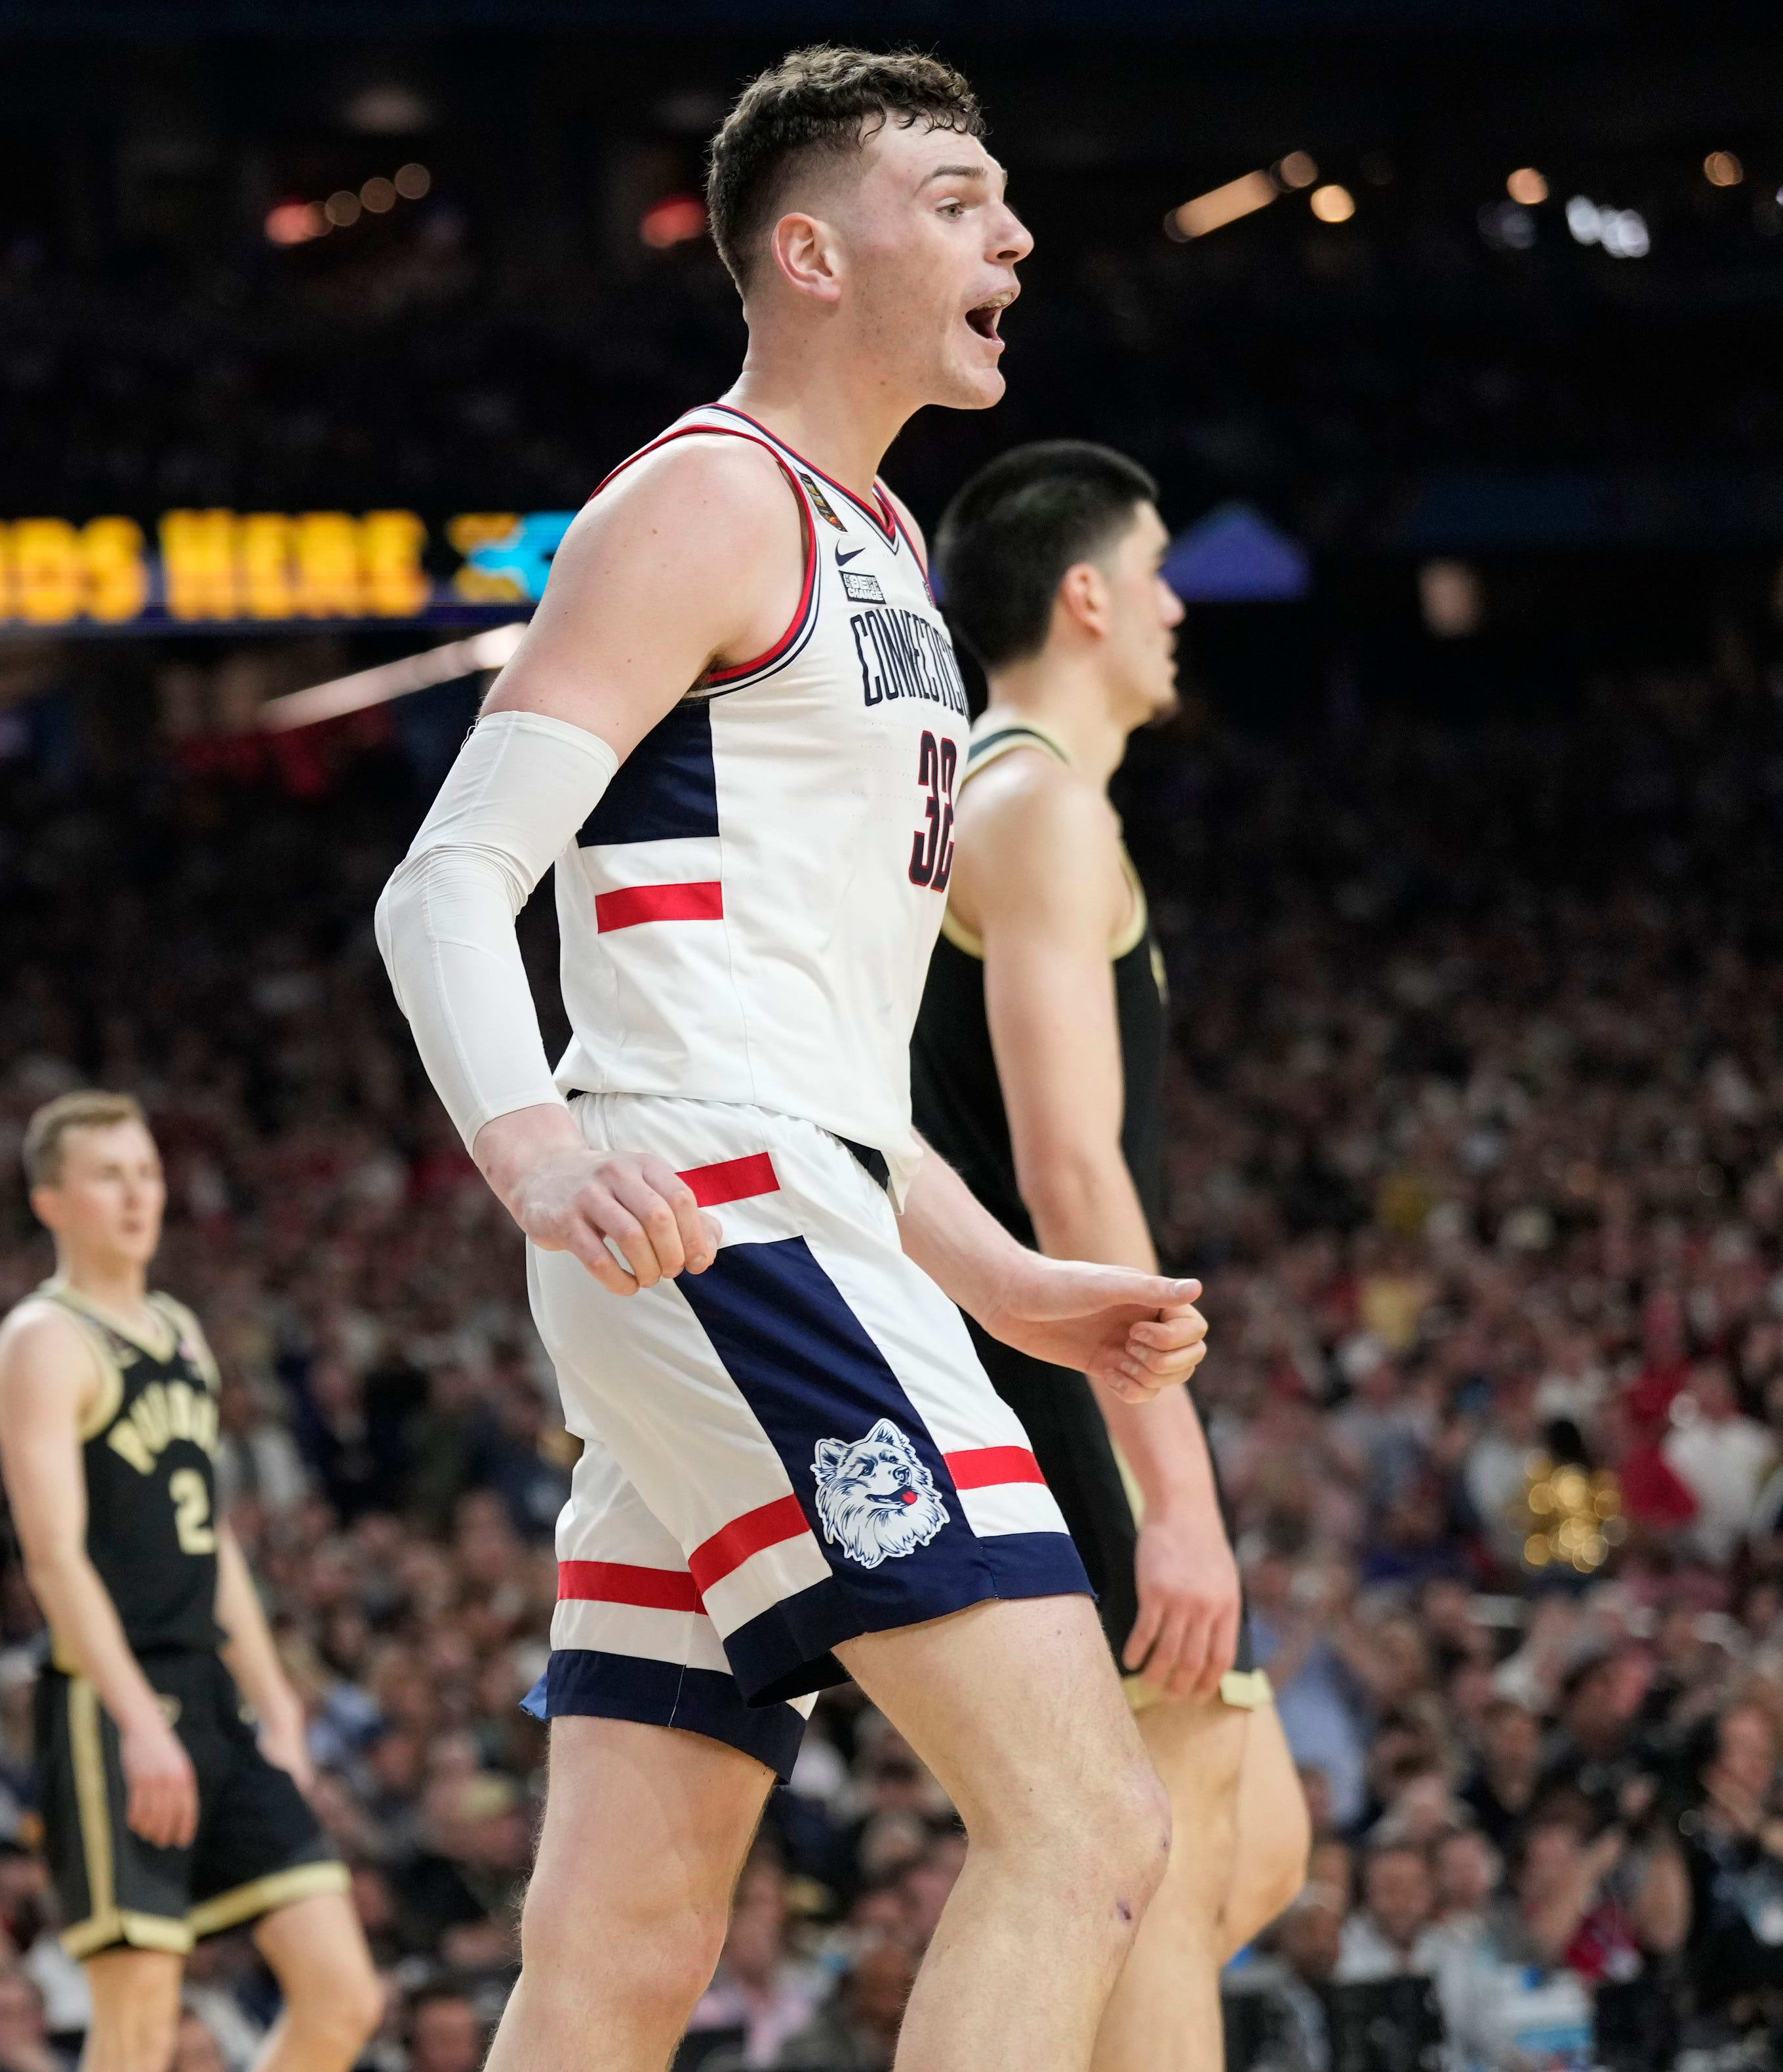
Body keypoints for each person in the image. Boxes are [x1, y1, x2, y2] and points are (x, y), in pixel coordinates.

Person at [372, 45, 1209, 2072]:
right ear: (811, 252)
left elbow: (823, 1043)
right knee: (1088, 1828)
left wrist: (1010, 1284)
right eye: (956, 196)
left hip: (763, 1213)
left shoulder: (891, 554)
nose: (1012, 231)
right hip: (720, 1223)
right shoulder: (706, 498)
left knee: (623, 1958)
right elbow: (445, 884)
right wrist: (540, 1150)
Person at [909, 436, 1315, 2071]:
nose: (1175, 609)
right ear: (1084, 596)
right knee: (1137, 1839)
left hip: (1011, 1368)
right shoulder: (1039, 806)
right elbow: (1073, 1173)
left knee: (1239, 1837)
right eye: (1156, 574)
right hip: (1047, 1377)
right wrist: (1184, 1493)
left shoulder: (984, 792)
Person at [0, 1092, 383, 2072]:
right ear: (51, 1201)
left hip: (212, 1699)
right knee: (137, 2027)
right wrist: (141, 1722)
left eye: (149, 1172)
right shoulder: (43, 1340)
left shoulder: (179, 1330)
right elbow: (53, 1558)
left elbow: (215, 1547)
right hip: (112, 1708)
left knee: (343, 1996)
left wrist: (280, 1708)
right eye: (109, 1175)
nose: (137, 1195)